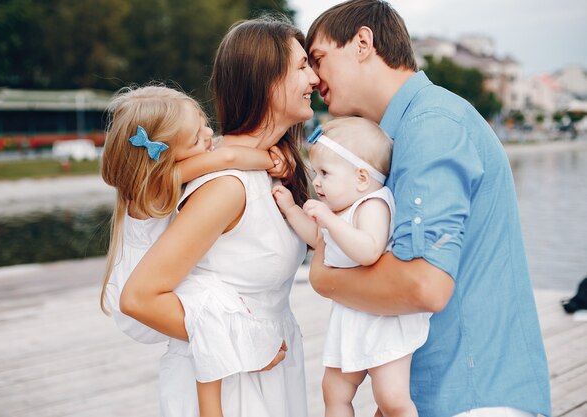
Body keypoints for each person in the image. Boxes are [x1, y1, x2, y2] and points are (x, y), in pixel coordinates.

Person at [304, 1, 552, 417]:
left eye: (318, 58)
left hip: (472, 398)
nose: (313, 77)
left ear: (363, 42)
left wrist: (323, 276)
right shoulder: (411, 127)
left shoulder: (431, 125)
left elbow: (424, 285)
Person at [119, 15, 320, 417]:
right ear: (265, 81)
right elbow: (139, 299)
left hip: (269, 368)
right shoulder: (227, 187)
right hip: (231, 383)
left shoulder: (270, 168)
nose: (314, 78)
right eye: (301, 67)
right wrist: (247, 346)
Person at [99, 85, 294, 416]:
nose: (208, 135)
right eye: (194, 139)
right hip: (135, 299)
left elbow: (220, 153)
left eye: (204, 121)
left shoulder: (160, 174)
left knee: (209, 305)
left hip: (155, 287)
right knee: (210, 305)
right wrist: (271, 161)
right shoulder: (158, 183)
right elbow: (227, 157)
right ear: (163, 154)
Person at [273, 116, 429, 417]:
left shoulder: (373, 204)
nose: (316, 182)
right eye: (316, 172)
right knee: (334, 391)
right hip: (351, 315)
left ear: (360, 178)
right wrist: (292, 210)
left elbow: (369, 250)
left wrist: (329, 219)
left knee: (391, 397)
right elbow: (320, 240)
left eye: (325, 173)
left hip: (382, 317)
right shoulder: (339, 209)